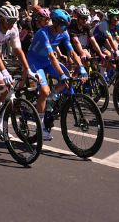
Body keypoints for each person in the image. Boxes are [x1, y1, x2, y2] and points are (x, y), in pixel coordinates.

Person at [27, 8, 87, 141]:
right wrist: (61, 75)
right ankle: (41, 127)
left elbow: (72, 52)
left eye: (66, 26)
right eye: (63, 25)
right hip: (35, 61)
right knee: (44, 90)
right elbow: (52, 56)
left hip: (47, 61)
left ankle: (51, 96)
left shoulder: (64, 33)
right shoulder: (43, 33)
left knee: (68, 80)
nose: (65, 28)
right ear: (55, 23)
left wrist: (81, 67)